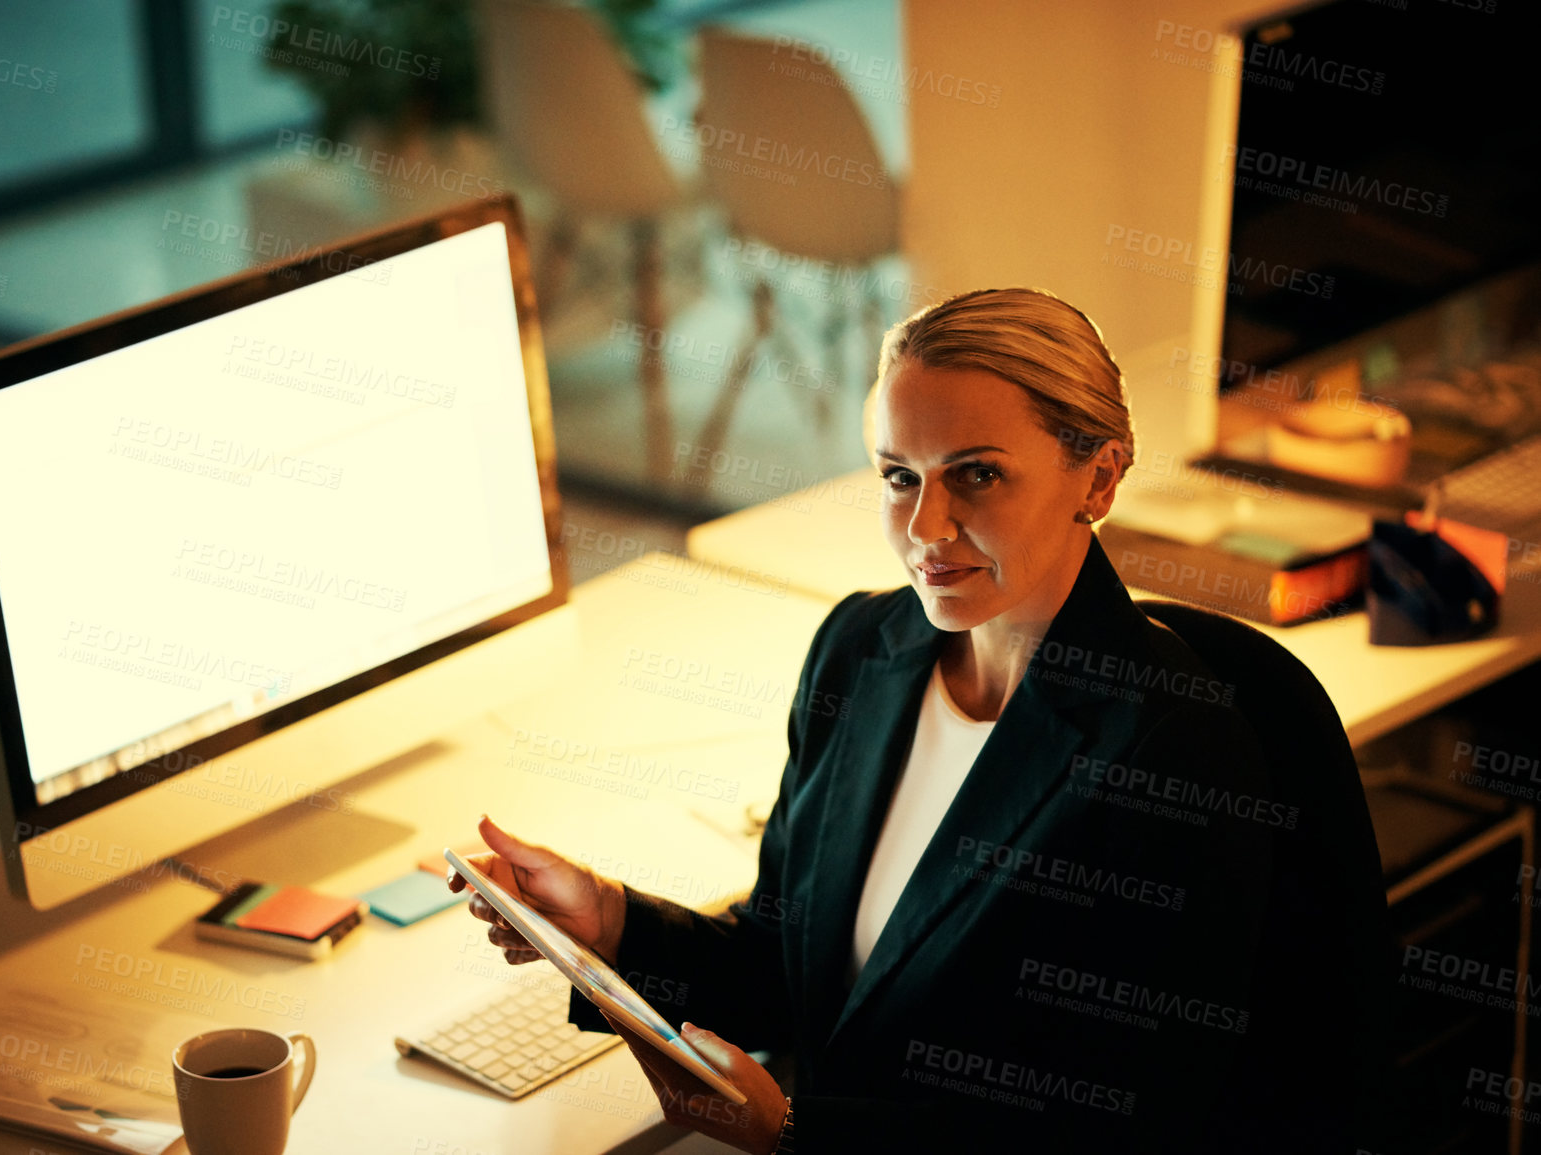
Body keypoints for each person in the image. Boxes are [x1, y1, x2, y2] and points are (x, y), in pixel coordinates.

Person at [448, 288, 1391, 1152]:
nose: (925, 527)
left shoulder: (1171, 746)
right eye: (899, 476)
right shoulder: (860, 651)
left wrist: (794, 1130)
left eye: (975, 476)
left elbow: (1118, 1121)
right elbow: (793, 973)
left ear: (1097, 480)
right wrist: (610, 926)